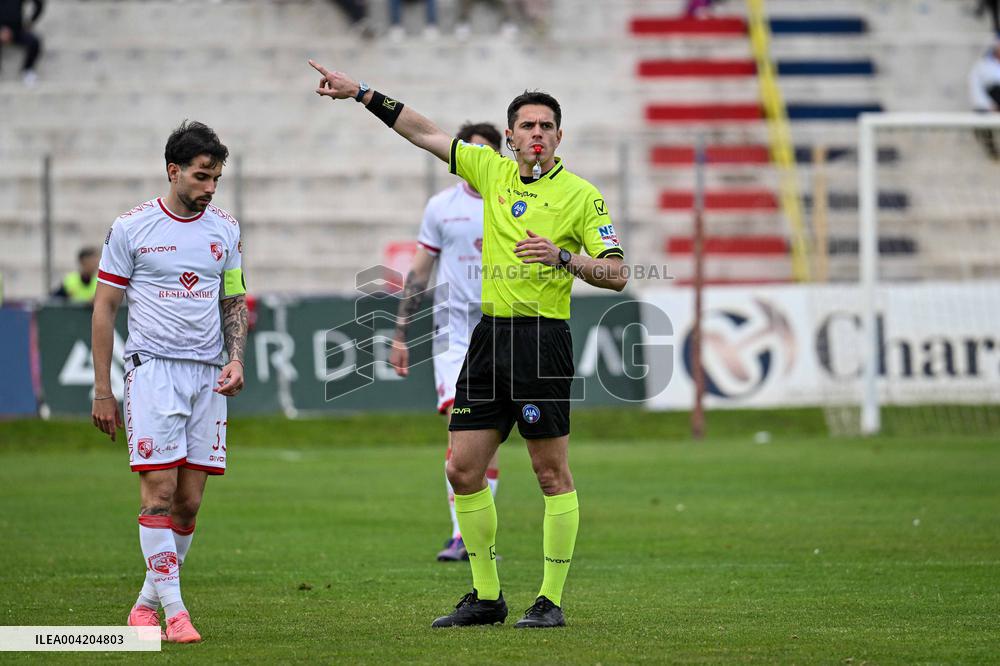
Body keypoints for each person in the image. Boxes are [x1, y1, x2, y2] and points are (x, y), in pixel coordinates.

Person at [309, 59, 627, 628]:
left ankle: (550, 601)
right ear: (509, 137)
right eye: (526, 126)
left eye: (546, 126)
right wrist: (361, 93)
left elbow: (618, 273)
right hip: (488, 339)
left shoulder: (583, 197)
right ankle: (487, 596)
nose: (536, 134)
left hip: (541, 341)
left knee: (550, 473)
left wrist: (561, 257)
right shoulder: (490, 171)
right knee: (462, 468)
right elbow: (422, 131)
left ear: (559, 136)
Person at [91, 121, 248, 643]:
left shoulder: (225, 228)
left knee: (188, 503)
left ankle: (143, 606)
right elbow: (105, 309)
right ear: (173, 171)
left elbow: (233, 300)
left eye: (217, 179)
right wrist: (103, 389)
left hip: (208, 378)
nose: (209, 188)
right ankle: (175, 614)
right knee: (157, 493)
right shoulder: (132, 228)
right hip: (153, 372)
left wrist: (237, 359)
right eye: (202, 177)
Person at [388, 122, 503, 563]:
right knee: (461, 430)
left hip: (502, 328)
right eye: (468, 152)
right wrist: (400, 333)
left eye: (485, 152)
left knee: (488, 436)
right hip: (454, 334)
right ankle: (463, 536)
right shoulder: (441, 207)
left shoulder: (511, 201)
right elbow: (419, 273)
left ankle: (479, 535)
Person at [0, 0, 43, 86]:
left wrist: (30, 21)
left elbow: (38, 3)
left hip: (16, 30)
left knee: (34, 42)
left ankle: (28, 70)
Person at [970, 41, 1000, 159]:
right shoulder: (982, 66)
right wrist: (990, 106)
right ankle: (991, 148)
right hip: (989, 104)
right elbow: (975, 89)